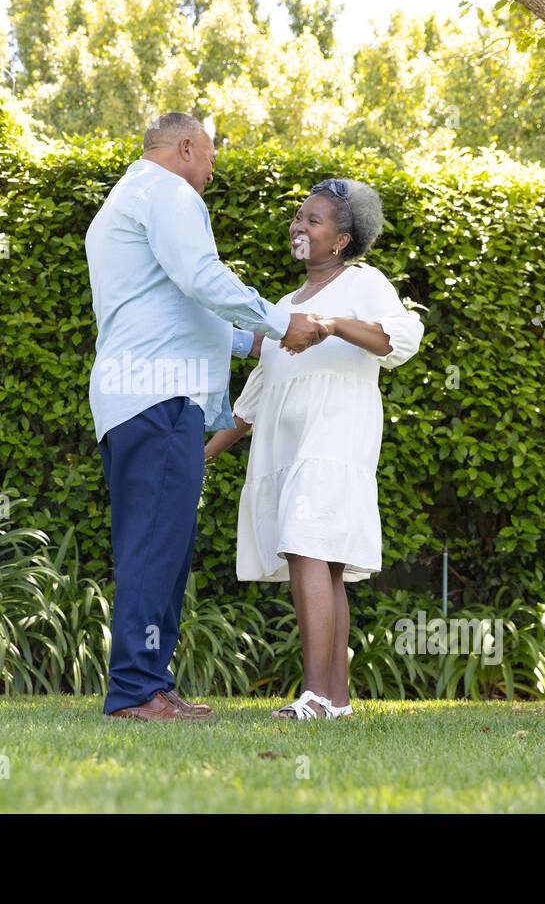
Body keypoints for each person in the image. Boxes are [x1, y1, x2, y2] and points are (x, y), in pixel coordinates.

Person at [85, 112, 326, 721]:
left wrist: (260, 344)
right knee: (153, 546)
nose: (211, 174)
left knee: (160, 544)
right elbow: (200, 278)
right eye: (211, 160)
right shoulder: (166, 192)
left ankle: (152, 684)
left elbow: (178, 307)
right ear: (186, 146)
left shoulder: (127, 198)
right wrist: (280, 321)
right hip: (157, 396)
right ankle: (137, 691)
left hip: (139, 396)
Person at [203, 177, 424, 720]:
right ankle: (337, 701)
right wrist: (196, 459)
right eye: (298, 217)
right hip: (285, 449)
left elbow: (400, 339)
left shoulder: (362, 281)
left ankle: (315, 696)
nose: (299, 227)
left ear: (342, 240)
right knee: (322, 564)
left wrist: (331, 325)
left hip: (335, 439)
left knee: (308, 548)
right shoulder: (283, 306)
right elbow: (253, 401)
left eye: (313, 220)